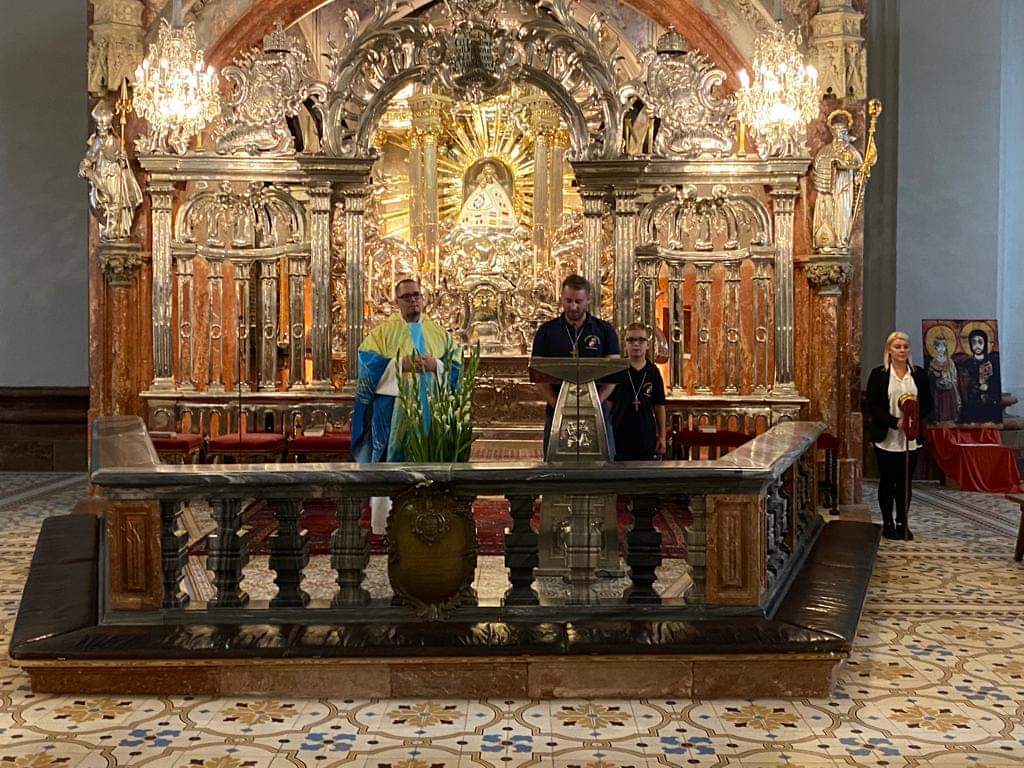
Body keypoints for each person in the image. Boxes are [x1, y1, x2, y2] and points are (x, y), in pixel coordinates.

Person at [351, 277, 458, 532]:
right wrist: (399, 365)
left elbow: (457, 366)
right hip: (393, 413)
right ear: (396, 301)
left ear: (423, 298)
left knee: (431, 463)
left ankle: (432, 520)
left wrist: (436, 365)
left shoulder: (439, 333)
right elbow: (365, 364)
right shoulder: (383, 333)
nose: (413, 301)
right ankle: (385, 525)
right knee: (390, 463)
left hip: (431, 413)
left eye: (416, 295)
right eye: (406, 297)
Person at [530, 274, 620, 456]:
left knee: (602, 462)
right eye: (568, 301)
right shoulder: (547, 331)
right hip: (557, 408)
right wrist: (558, 405)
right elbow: (538, 374)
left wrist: (595, 403)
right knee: (556, 462)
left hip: (597, 408)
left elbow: (614, 373)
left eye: (578, 301)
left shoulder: (604, 330)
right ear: (561, 298)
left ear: (588, 299)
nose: (573, 307)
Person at [865, 331, 933, 541]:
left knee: (904, 482)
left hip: (910, 438)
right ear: (889, 350)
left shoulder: (918, 375)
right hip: (887, 437)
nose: (902, 350)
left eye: (905, 346)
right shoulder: (879, 375)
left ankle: (903, 522)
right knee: (887, 481)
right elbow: (873, 405)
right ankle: (888, 522)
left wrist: (914, 420)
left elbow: (928, 403)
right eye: (897, 347)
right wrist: (895, 422)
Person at [607, 323, 666, 460]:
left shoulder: (653, 372)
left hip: (646, 434)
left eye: (641, 340)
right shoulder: (617, 370)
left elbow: (659, 405)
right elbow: (608, 404)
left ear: (648, 344)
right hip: (619, 434)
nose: (636, 344)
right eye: (631, 340)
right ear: (625, 344)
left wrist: (662, 436)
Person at [812, 109, 863, 253]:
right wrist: (829, 168)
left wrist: (857, 176)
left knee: (843, 211)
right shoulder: (825, 151)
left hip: (844, 186)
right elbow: (817, 168)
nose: (841, 135)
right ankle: (826, 241)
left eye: (843, 132)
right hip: (828, 190)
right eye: (838, 132)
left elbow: (859, 166)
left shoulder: (851, 150)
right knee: (826, 211)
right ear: (833, 133)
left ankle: (842, 240)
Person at [956, 327, 1002, 425]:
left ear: (985, 343)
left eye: (980, 342)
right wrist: (975, 387)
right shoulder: (967, 364)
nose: (977, 346)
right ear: (970, 344)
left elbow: (996, 382)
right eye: (974, 342)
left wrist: (988, 386)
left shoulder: (992, 362)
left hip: (989, 402)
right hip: (972, 403)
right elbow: (964, 385)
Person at [925, 327, 961, 424]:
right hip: (939, 390)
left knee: (950, 404)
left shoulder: (950, 361)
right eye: (939, 346)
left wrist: (949, 380)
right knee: (940, 405)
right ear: (935, 347)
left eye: (943, 346)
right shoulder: (933, 362)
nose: (941, 349)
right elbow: (930, 376)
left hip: (949, 387)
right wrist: (937, 379)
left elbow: (954, 374)